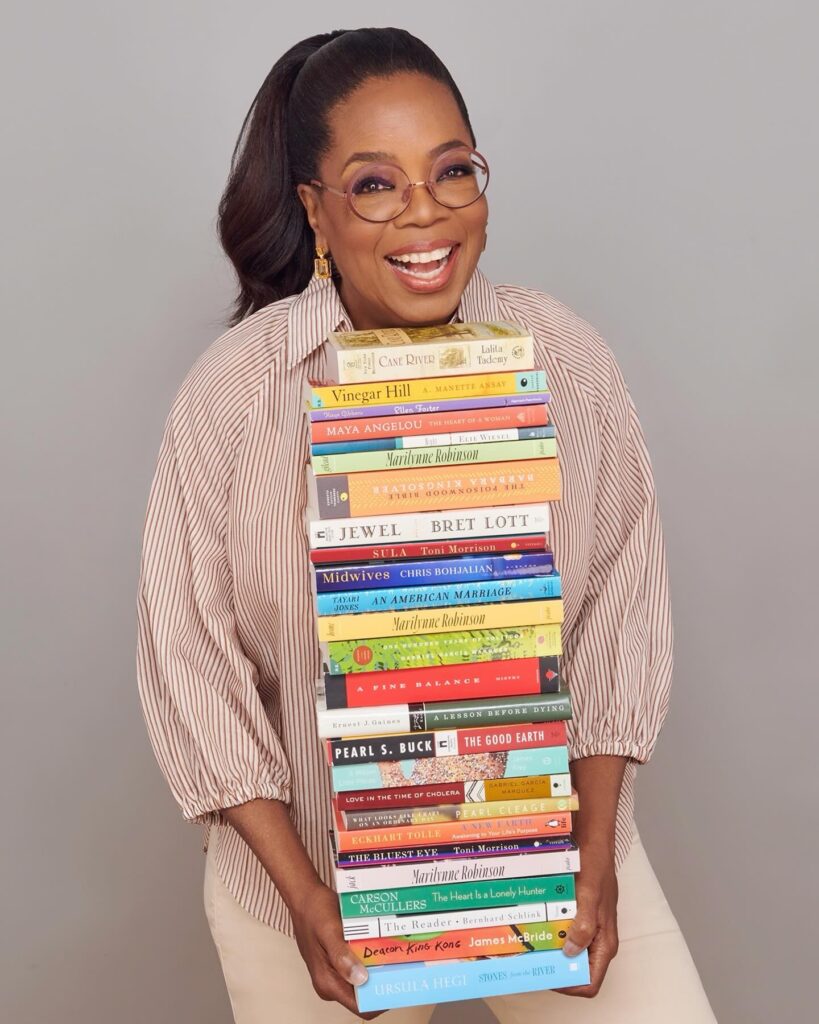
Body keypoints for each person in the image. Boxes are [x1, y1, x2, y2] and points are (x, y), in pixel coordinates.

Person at [136, 26, 716, 1024]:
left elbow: (619, 615)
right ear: (316, 209)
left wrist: (590, 855)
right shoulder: (236, 394)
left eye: (452, 171)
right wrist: (306, 899)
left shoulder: (563, 358)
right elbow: (191, 663)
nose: (425, 212)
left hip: (551, 859)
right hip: (309, 890)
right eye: (375, 184)